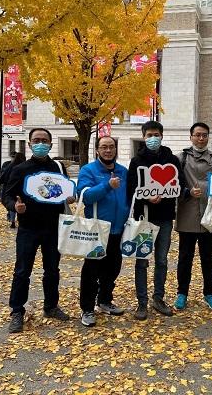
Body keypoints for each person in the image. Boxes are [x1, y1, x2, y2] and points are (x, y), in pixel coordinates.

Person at [2, 128, 75, 333]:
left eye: (44, 140)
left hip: (53, 228)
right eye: (37, 140)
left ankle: (51, 306)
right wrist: (14, 207)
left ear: (51, 144)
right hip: (28, 228)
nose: (40, 143)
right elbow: (6, 196)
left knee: (52, 270)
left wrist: (71, 197)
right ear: (30, 144)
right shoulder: (20, 169)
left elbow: (68, 192)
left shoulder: (58, 168)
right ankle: (17, 310)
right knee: (22, 271)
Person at [126, 121, 184, 320]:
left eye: (156, 134)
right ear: (143, 136)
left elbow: (179, 183)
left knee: (161, 260)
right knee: (142, 261)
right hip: (144, 218)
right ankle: (141, 303)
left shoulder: (172, 160)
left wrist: (172, 194)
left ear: (162, 135)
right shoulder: (136, 161)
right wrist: (146, 197)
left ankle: (158, 298)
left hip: (165, 218)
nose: (153, 138)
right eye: (149, 135)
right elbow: (131, 189)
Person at [76, 136, 130, 327]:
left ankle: (105, 301)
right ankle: (87, 308)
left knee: (113, 268)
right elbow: (85, 197)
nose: (108, 150)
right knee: (91, 270)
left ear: (116, 149)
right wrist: (107, 186)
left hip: (118, 229)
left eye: (112, 147)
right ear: (97, 150)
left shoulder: (123, 171)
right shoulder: (88, 170)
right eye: (104, 147)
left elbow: (131, 196)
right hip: (97, 230)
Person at [174, 123, 212, 312]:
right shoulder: (181, 158)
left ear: (208, 137)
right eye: (197, 135)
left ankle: (209, 293)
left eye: (204, 135)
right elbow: (173, 184)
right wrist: (187, 192)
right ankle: (182, 293)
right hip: (187, 214)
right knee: (185, 257)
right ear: (191, 137)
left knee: (208, 257)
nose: (201, 138)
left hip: (209, 215)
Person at [0, 152, 26, 228]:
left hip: (9, 189)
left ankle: (12, 221)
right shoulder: (24, 166)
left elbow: (2, 178)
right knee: (19, 204)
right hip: (20, 190)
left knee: (13, 204)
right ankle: (18, 220)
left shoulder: (9, 166)